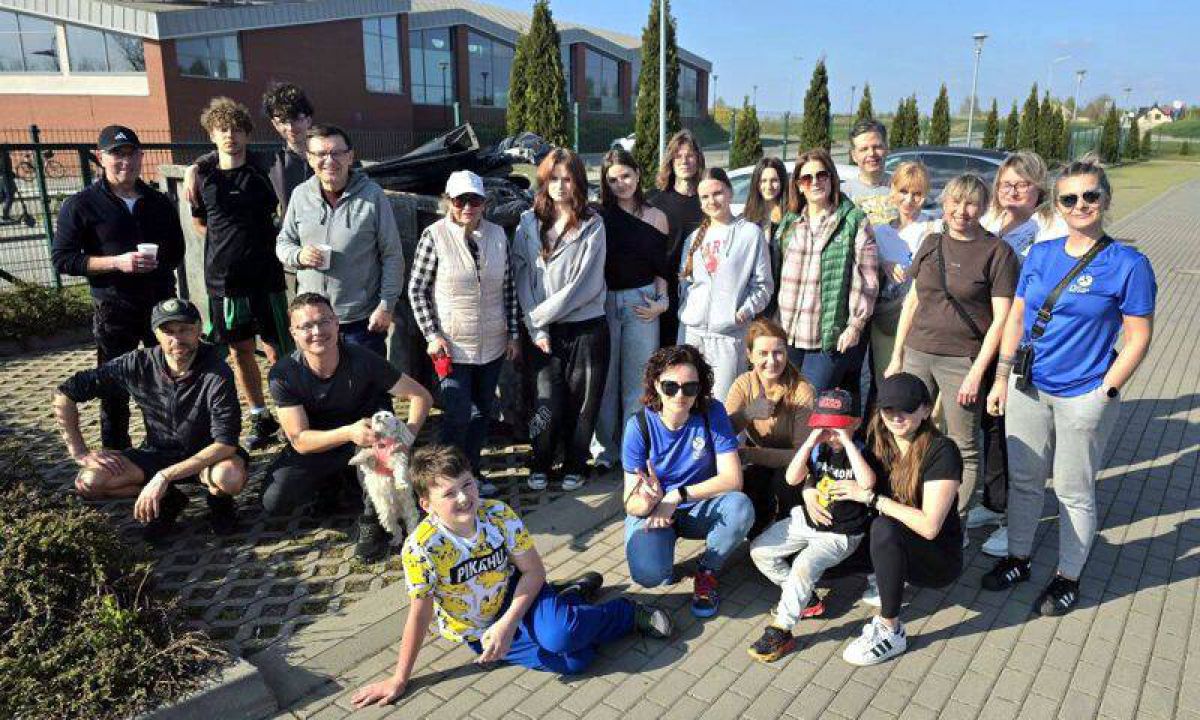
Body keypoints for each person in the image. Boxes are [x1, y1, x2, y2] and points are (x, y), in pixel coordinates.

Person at [350, 445, 674, 708]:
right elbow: (419, 616)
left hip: (519, 595)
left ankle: (627, 613)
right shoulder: (420, 548)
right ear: (426, 504)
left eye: (467, 484)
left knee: (560, 636)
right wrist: (399, 678)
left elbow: (533, 571)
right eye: (449, 493)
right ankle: (571, 597)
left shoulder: (498, 514)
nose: (463, 497)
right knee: (576, 661)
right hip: (479, 629)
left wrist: (508, 623)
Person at [982, 157, 1155, 617]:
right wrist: (1001, 377)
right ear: (1057, 205)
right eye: (1070, 198)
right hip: (1028, 385)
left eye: (1090, 196)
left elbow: (1138, 337)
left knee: (1072, 490)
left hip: (1084, 393)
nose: (1080, 205)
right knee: (1024, 481)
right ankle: (1018, 558)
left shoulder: (1128, 264)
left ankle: (1068, 576)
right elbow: (1017, 317)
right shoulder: (1041, 254)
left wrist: (1106, 392)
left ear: (1105, 199)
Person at [52, 298, 247, 539]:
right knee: (89, 483)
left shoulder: (217, 371)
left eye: (185, 329)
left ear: (199, 328)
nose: (177, 339)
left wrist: (164, 476)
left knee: (229, 477)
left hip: (207, 457)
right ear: (156, 334)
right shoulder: (137, 363)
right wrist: (79, 452)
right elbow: (65, 393)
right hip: (156, 453)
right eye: (168, 332)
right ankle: (169, 501)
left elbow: (225, 444)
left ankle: (220, 504)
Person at [886, 174, 1019, 529]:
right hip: (917, 351)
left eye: (971, 203)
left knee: (963, 445)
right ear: (944, 204)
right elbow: (912, 301)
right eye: (955, 202)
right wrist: (897, 356)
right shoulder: (931, 242)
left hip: (962, 360)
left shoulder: (998, 253)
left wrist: (977, 373)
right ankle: (910, 508)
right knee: (908, 432)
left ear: (985, 207)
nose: (962, 211)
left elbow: (1001, 320)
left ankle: (952, 523)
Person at [264, 293, 432, 561]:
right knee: (274, 500)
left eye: (324, 321)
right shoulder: (283, 373)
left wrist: (406, 438)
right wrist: (347, 432)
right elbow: (299, 440)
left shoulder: (362, 357)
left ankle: (372, 521)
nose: (317, 331)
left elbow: (421, 396)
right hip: (322, 442)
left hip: (368, 440)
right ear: (293, 333)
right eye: (306, 326)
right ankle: (332, 483)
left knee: (375, 456)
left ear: (336, 323)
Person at [51, 125, 185, 451]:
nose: (125, 161)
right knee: (114, 387)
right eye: (117, 155)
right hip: (114, 308)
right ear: (101, 158)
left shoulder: (158, 201)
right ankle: (117, 455)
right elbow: (63, 259)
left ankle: (165, 450)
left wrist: (158, 262)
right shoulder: (81, 204)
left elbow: (177, 251)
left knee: (164, 381)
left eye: (131, 154)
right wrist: (117, 263)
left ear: (141, 156)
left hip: (159, 307)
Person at [969, 151, 1069, 556]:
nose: (1011, 191)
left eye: (1021, 184)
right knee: (993, 427)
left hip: (1027, 346)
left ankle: (1016, 521)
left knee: (1021, 434)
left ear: (1038, 189)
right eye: (1005, 184)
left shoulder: (1051, 228)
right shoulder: (993, 223)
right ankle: (994, 502)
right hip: (989, 340)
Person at [837, 373, 963, 666]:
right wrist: (809, 491)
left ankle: (891, 629)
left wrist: (873, 499)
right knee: (825, 566)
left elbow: (930, 527)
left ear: (925, 410)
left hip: (937, 558)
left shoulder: (942, 451)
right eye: (888, 409)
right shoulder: (878, 441)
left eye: (906, 409)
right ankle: (881, 574)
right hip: (891, 542)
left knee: (884, 528)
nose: (896, 416)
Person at [408, 170, 520, 495]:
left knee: (483, 412)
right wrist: (432, 334)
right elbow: (417, 289)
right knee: (458, 414)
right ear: (448, 201)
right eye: (460, 200)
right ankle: (440, 478)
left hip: (493, 341)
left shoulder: (497, 235)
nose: (467, 207)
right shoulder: (434, 236)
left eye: (474, 200)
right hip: (452, 344)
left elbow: (509, 288)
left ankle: (472, 472)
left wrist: (513, 334)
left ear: (484, 202)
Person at [622, 345, 754, 618]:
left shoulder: (711, 413)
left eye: (690, 388)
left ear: (699, 388)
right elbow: (629, 504)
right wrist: (646, 501)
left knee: (740, 507)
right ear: (656, 385)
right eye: (670, 387)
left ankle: (707, 570)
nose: (680, 395)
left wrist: (676, 495)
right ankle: (664, 556)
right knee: (649, 574)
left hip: (697, 505)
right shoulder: (638, 426)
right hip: (656, 512)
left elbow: (733, 479)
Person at [191, 97, 291, 450]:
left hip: (266, 279)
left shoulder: (264, 170)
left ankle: (291, 413)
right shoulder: (203, 177)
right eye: (222, 130)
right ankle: (260, 416)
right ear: (212, 135)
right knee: (240, 351)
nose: (229, 136)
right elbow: (200, 222)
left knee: (278, 350)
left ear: (247, 134)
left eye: (236, 129)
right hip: (224, 283)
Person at [747, 388, 874, 662]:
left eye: (838, 428)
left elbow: (867, 483)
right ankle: (808, 600)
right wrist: (809, 443)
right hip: (807, 521)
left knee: (803, 566)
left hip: (840, 533)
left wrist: (847, 442)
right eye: (825, 428)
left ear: (856, 422)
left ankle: (782, 628)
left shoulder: (863, 449)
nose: (831, 435)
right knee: (760, 550)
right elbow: (792, 478)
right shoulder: (818, 448)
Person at [511, 148, 608, 493]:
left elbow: (583, 285)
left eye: (568, 179)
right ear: (544, 181)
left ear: (578, 182)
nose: (561, 186)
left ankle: (576, 464)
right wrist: (536, 327)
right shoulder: (528, 222)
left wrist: (537, 318)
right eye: (554, 178)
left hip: (585, 327)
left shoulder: (593, 225)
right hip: (541, 331)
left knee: (582, 401)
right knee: (544, 400)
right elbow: (521, 272)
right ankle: (540, 461)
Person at [276, 124, 404, 358]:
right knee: (318, 380)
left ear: (350, 156)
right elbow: (283, 242)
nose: (329, 160)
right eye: (321, 154)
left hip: (360, 321)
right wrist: (298, 255)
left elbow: (392, 255)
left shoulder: (372, 196)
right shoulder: (300, 195)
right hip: (312, 319)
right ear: (309, 158)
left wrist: (386, 306)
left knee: (365, 381)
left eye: (336, 153)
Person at [591, 148, 671, 470]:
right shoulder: (598, 217)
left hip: (643, 303)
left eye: (625, 176)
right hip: (606, 302)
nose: (620, 184)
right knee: (606, 381)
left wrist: (662, 301)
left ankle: (633, 451)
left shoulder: (657, 217)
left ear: (637, 174)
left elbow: (662, 267)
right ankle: (604, 451)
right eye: (613, 180)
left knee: (639, 381)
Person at [777, 149, 878, 398]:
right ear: (799, 186)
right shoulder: (791, 223)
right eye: (806, 178)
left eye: (821, 175)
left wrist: (855, 326)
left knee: (809, 403)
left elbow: (867, 280)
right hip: (788, 333)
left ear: (832, 178)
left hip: (827, 338)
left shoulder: (853, 221)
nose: (815, 182)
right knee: (785, 402)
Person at [677, 167, 774, 402]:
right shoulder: (694, 238)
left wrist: (743, 312)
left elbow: (763, 285)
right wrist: (687, 310)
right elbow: (685, 283)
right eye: (705, 197)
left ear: (730, 192)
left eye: (717, 193)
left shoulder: (750, 234)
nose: (712, 201)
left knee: (724, 404)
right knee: (688, 401)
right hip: (692, 333)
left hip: (729, 336)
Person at [725, 318, 815, 536]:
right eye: (763, 353)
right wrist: (748, 413)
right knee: (743, 483)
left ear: (786, 353)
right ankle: (754, 532)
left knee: (785, 483)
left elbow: (801, 455)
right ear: (750, 355)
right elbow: (722, 434)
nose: (771, 361)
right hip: (760, 459)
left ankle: (789, 533)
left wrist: (750, 454)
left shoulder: (802, 391)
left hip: (794, 464)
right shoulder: (743, 384)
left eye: (778, 353)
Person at [185, 82, 316, 216]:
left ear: (309, 119)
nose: (290, 127)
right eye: (282, 121)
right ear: (274, 124)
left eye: (296, 119)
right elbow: (230, 152)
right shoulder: (272, 162)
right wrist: (195, 167)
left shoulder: (326, 156)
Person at [870, 162, 939, 382]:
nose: (909, 200)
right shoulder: (880, 232)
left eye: (916, 194)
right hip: (886, 320)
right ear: (893, 189)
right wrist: (883, 263)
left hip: (920, 323)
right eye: (903, 191)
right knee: (886, 381)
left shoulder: (933, 228)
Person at [649, 130, 706, 347]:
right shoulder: (656, 203)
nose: (684, 161)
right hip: (663, 292)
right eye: (678, 156)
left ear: (698, 160)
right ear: (671, 162)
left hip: (697, 292)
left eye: (690, 155)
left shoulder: (707, 202)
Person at [742, 157, 792, 318]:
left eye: (774, 180)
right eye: (763, 181)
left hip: (785, 296)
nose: (768, 186)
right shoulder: (747, 220)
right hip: (756, 298)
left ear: (782, 182)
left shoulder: (792, 218)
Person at [843, 119, 899, 227]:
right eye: (864, 149)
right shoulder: (843, 194)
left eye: (877, 147)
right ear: (854, 155)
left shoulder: (904, 188)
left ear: (886, 149)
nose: (871, 153)